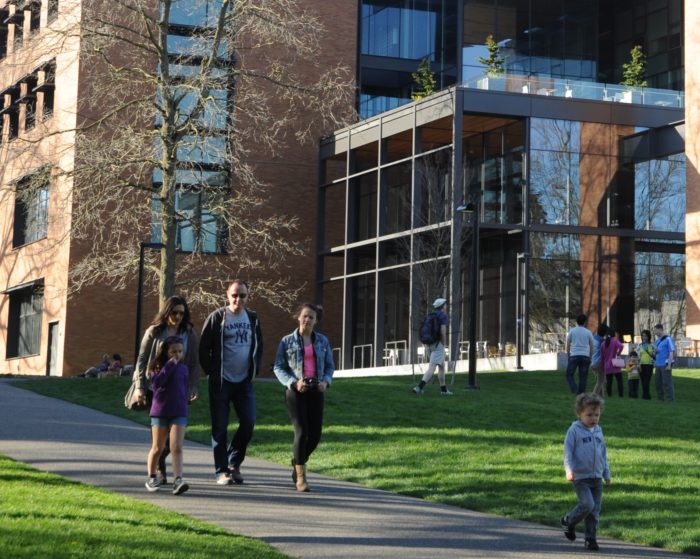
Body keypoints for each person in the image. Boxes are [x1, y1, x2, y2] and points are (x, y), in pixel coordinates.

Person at [200, 279, 263, 485]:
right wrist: (212, 372)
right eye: (234, 295)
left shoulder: (253, 318)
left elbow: (258, 346)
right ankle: (221, 471)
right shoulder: (217, 317)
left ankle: (234, 463)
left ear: (248, 296)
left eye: (242, 295)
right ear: (227, 295)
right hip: (221, 382)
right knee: (220, 427)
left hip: (244, 382)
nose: (238, 299)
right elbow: (203, 348)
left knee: (248, 421)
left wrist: (253, 370)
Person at [133, 296, 200, 485]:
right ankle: (159, 471)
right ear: (167, 312)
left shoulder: (189, 333)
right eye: (174, 312)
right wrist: (139, 387)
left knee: (174, 440)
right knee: (159, 440)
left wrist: (193, 386)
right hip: (156, 389)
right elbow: (142, 360)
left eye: (181, 313)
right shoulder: (154, 332)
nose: (178, 316)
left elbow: (193, 363)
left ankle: (174, 475)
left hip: (179, 389)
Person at [273, 303, 335, 492]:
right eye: (305, 316)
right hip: (296, 391)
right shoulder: (286, 341)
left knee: (315, 435)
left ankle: (297, 461)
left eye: (311, 317)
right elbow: (278, 367)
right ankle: (301, 478)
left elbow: (330, 366)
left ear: (316, 321)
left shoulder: (323, 341)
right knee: (301, 431)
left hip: (316, 390)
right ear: (298, 317)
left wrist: (325, 382)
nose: (307, 320)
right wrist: (293, 382)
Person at [560, 393, 611, 552]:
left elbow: (603, 453)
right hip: (580, 477)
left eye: (596, 415)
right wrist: (569, 470)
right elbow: (567, 452)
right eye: (589, 415)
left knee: (594, 511)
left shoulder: (598, 430)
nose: (593, 418)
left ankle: (591, 539)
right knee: (587, 504)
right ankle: (569, 520)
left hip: (596, 478)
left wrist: (606, 473)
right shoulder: (574, 430)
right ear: (579, 414)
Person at [145, 336, 190, 495]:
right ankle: (151, 477)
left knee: (176, 447)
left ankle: (178, 480)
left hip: (179, 411)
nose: (177, 355)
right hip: (160, 412)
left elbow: (184, 387)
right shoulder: (157, 367)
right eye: (173, 352)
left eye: (180, 351)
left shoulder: (184, 368)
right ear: (166, 352)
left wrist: (187, 399)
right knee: (158, 447)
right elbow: (157, 384)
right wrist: (169, 366)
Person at [412, 297, 452, 395]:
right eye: (445, 304)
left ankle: (444, 390)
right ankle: (419, 387)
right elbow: (443, 332)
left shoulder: (430, 315)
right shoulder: (443, 315)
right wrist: (444, 343)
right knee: (432, 368)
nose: (446, 306)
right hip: (438, 344)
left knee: (442, 367)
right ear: (442, 306)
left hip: (429, 344)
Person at [565, 314, 595, 394]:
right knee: (583, 377)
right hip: (585, 356)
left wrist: (568, 355)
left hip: (574, 355)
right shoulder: (588, 332)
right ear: (585, 322)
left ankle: (574, 388)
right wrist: (590, 357)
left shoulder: (572, 331)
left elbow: (568, 344)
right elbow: (592, 346)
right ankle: (581, 393)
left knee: (569, 375)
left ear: (576, 321)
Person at [653, 324, 676, 402]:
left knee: (667, 383)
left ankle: (670, 400)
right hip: (658, 365)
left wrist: (669, 364)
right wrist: (655, 352)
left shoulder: (668, 339)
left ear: (660, 329)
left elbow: (671, 352)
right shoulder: (656, 341)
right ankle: (661, 399)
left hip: (665, 364)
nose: (654, 332)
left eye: (655, 330)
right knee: (658, 383)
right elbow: (654, 354)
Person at [601, 329, 624, 398]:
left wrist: (603, 365)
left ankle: (609, 396)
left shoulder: (603, 344)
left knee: (609, 382)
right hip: (615, 364)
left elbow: (602, 356)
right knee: (619, 381)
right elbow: (621, 346)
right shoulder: (615, 340)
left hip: (607, 365)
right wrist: (618, 353)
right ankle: (621, 395)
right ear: (614, 334)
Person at [590, 324, 608, 397]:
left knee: (601, 380)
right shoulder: (603, 341)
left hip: (592, 363)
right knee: (600, 382)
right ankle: (593, 397)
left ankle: (600, 397)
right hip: (600, 363)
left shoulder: (593, 338)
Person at [637, 329, 655, 400]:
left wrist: (653, 353)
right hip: (641, 365)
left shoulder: (652, 345)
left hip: (649, 365)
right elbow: (638, 356)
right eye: (643, 336)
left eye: (645, 336)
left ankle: (646, 396)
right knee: (642, 381)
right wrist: (638, 364)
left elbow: (654, 355)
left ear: (648, 337)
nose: (644, 337)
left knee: (646, 381)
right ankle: (646, 396)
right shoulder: (639, 345)